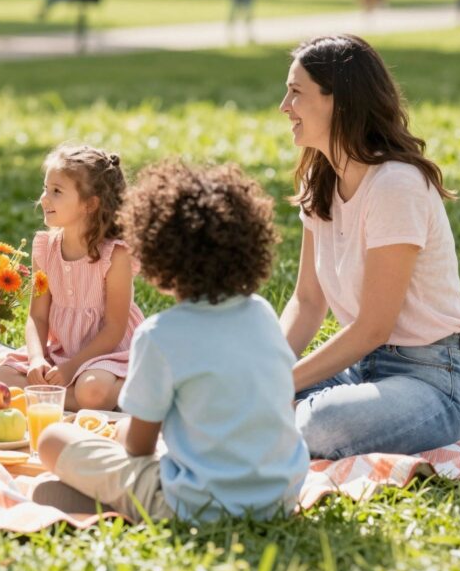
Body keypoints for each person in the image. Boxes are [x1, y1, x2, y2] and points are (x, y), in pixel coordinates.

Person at [34, 162, 308, 522]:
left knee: (53, 440)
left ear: (155, 255)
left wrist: (119, 431)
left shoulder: (160, 335)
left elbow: (139, 446)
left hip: (196, 506)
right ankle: (108, 494)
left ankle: (112, 498)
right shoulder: (262, 313)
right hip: (280, 496)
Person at [279, 34, 460, 459]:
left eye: (296, 93)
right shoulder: (321, 181)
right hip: (358, 373)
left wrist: (277, 387)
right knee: (232, 387)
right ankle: (272, 419)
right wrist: (265, 371)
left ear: (338, 101)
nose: (284, 107)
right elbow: (308, 301)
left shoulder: (395, 185)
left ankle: (274, 421)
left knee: (320, 423)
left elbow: (374, 327)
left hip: (430, 381)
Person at [0, 145, 144, 412]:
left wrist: (72, 367)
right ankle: (63, 397)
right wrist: (36, 359)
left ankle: (122, 389)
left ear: (90, 204)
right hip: (60, 354)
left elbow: (114, 329)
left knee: (92, 391)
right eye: (46, 189)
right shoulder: (45, 249)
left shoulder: (115, 256)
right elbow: (38, 316)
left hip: (106, 355)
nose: (45, 199)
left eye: (56, 191)